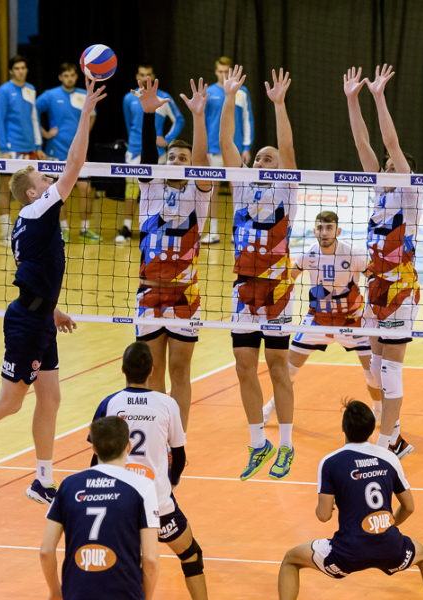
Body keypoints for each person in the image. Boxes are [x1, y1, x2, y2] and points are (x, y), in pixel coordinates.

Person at [0, 78, 107, 504]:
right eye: (44, 177)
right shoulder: (40, 208)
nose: (50, 178)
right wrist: (85, 115)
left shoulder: (28, 221)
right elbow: (75, 164)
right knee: (11, 401)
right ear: (32, 192)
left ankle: (42, 481)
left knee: (51, 398)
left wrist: (53, 309)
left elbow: (31, 270)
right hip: (27, 321)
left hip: (39, 315)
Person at [278, 400, 423, 600]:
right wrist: (387, 526)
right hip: (390, 547)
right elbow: (409, 507)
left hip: (347, 552)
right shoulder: (389, 458)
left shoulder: (330, 462)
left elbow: (323, 516)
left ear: (343, 428)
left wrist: (327, 507)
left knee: (291, 559)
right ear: (371, 428)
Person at [221, 65, 297, 481]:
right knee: (243, 366)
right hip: (243, 289)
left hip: (278, 290)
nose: (266, 159)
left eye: (272, 157)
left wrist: (279, 105)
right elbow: (226, 144)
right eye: (261, 157)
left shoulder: (286, 188)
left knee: (278, 366)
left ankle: (285, 444)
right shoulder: (242, 188)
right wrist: (229, 97)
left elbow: (287, 148)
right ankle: (258, 443)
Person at [91, 342, 208, 600]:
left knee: (124, 564)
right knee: (191, 556)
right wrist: (172, 482)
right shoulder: (167, 404)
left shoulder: (109, 403)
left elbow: (96, 458)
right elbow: (179, 454)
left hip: (117, 503)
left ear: (122, 369)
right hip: (158, 504)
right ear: (153, 370)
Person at [344, 65, 420, 460]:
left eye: (394, 166)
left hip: (400, 289)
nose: (387, 169)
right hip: (375, 287)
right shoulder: (379, 192)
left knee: (389, 371)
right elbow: (363, 144)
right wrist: (352, 100)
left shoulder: (410, 194)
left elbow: (390, 142)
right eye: (386, 167)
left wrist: (378, 97)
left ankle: (385, 445)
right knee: (374, 370)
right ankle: (397, 435)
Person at [131, 76, 212, 430]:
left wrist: (198, 117)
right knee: (153, 371)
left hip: (184, 295)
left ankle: (177, 438)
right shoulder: (150, 188)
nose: (177, 160)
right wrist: (149, 114)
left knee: (180, 371)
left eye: (183, 157)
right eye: (172, 156)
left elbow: (204, 162)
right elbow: (148, 157)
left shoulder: (199, 193)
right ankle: (156, 432)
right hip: (149, 294)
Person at [261, 211, 379, 425]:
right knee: (288, 371)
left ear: (338, 231)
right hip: (317, 321)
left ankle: (378, 411)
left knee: (373, 374)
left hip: (352, 322)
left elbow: (375, 282)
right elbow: (288, 280)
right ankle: (273, 407)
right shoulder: (308, 255)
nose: (324, 233)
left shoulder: (353, 254)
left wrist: (371, 312)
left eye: (329, 228)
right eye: (320, 228)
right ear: (314, 230)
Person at [40, 415, 160, 600]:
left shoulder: (69, 485)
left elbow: (46, 551)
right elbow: (151, 559)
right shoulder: (142, 486)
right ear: (128, 446)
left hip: (76, 593)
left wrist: (56, 592)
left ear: (94, 448)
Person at [119, 64, 184, 245]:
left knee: (158, 192)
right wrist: (135, 141)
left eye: (148, 75)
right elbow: (129, 123)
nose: (145, 78)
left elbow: (179, 119)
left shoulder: (164, 97)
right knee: (131, 191)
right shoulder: (129, 98)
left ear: (153, 76)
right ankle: (126, 228)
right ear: (137, 76)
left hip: (159, 154)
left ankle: (157, 226)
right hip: (134, 152)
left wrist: (167, 139)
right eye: (142, 74)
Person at [37, 62, 100, 243]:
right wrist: (45, 133)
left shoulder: (84, 95)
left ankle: (85, 229)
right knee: (58, 193)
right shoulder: (50, 95)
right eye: (66, 75)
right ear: (60, 77)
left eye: (72, 75)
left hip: (79, 154)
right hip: (55, 152)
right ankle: (63, 230)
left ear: (76, 76)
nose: (69, 78)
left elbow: (93, 115)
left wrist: (83, 136)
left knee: (86, 190)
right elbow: (31, 112)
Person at [201, 56, 254, 245]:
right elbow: (202, 122)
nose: (223, 75)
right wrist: (203, 149)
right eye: (220, 71)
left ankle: (237, 231)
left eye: (226, 71)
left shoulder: (242, 92)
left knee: (238, 191)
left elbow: (247, 120)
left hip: (235, 150)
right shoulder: (208, 92)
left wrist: (246, 147)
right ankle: (213, 231)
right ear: (216, 72)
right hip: (213, 150)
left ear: (231, 71)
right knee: (211, 191)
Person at [0, 55, 46, 247]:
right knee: (6, 189)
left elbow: (34, 118)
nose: (21, 71)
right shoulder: (3, 91)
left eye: (23, 68)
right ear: (11, 71)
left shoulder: (31, 89)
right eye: (17, 68)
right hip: (11, 149)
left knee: (29, 193)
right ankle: (5, 233)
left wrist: (38, 146)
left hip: (29, 149)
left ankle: (24, 230)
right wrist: (3, 148)